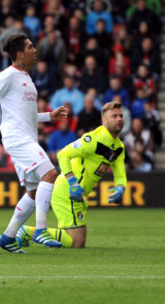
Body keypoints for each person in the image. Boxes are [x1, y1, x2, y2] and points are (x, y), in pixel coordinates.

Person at [0, 34, 68, 253]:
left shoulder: (26, 77)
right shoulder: (7, 76)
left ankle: (7, 237)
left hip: (26, 136)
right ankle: (40, 229)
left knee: (34, 191)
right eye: (30, 47)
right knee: (49, 173)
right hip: (16, 137)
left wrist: (50, 116)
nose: (35, 49)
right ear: (19, 53)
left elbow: (28, 116)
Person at [17, 102, 126, 248]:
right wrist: (72, 182)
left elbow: (120, 173)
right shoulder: (93, 140)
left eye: (120, 116)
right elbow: (63, 154)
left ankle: (29, 232)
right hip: (67, 190)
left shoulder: (119, 147)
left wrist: (121, 188)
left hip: (77, 193)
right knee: (77, 242)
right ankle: (27, 231)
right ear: (104, 121)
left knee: (76, 241)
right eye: (114, 116)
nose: (119, 119)